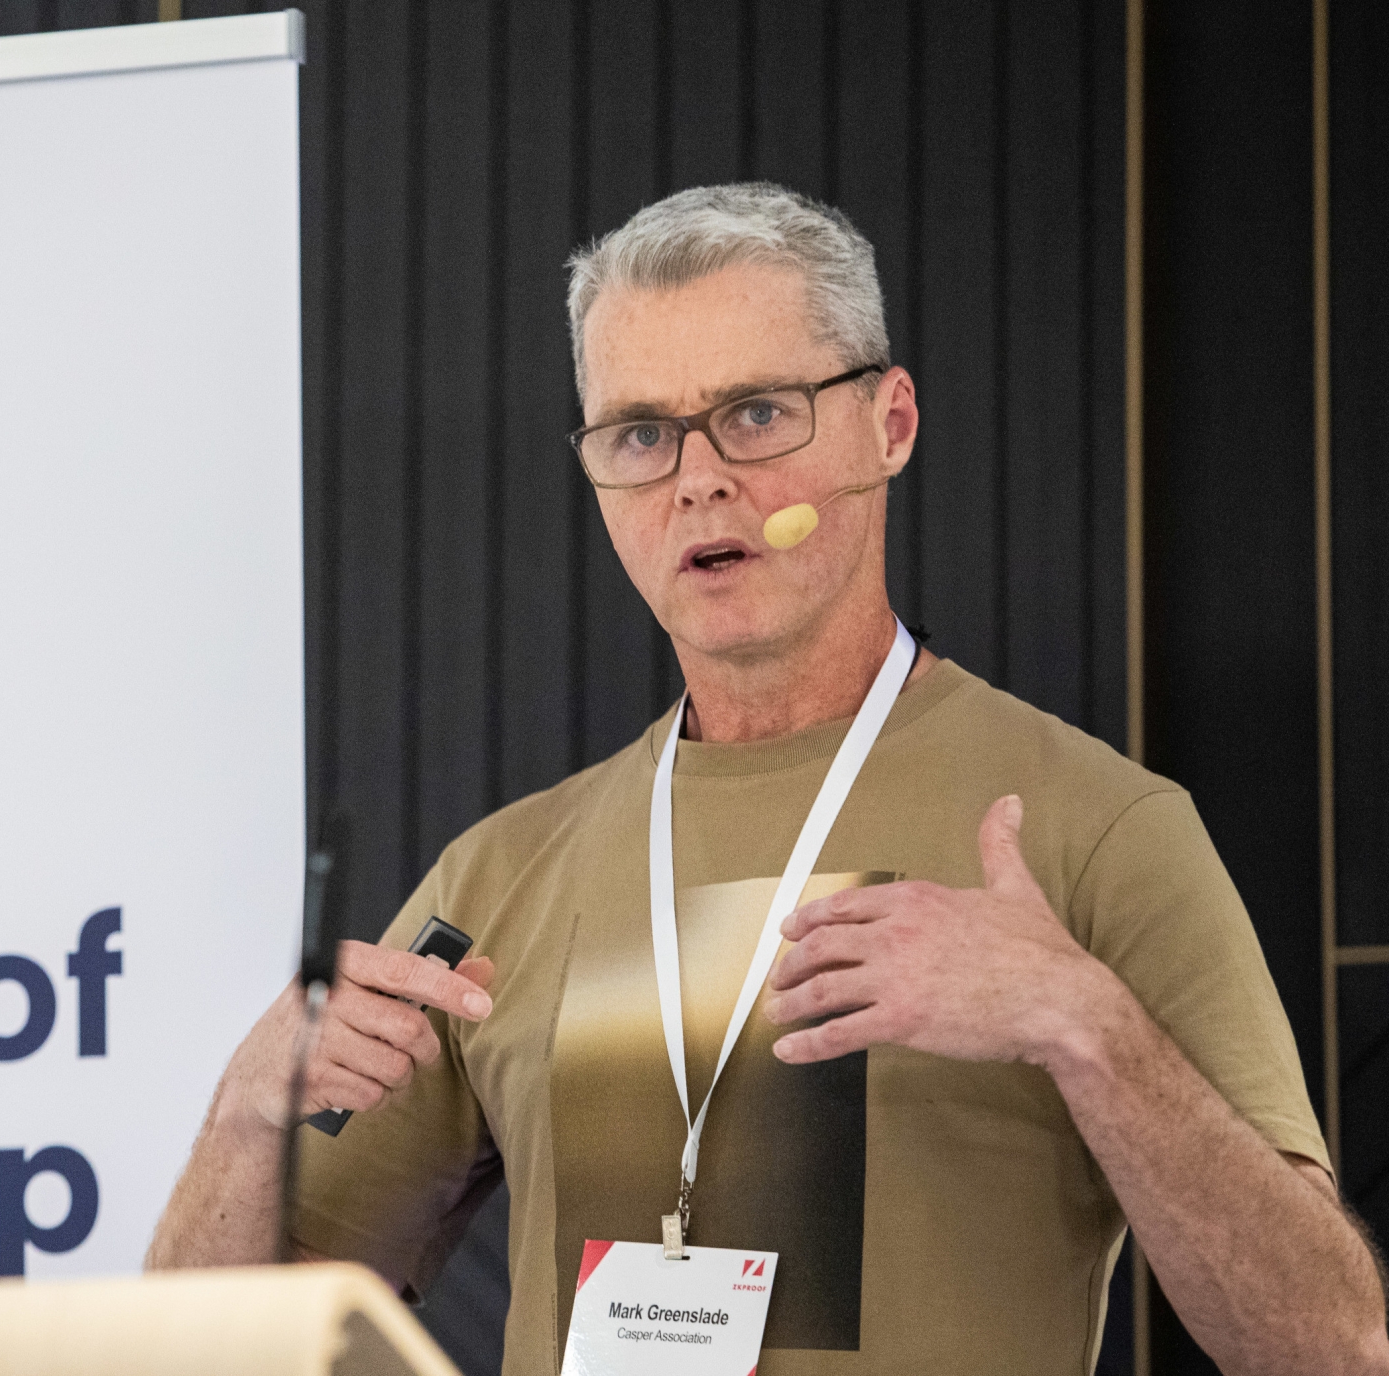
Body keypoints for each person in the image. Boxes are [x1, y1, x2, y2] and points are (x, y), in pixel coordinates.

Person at [146, 183, 1388, 1375]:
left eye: (755, 414)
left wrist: (1087, 1024)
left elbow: (1333, 1344)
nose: (698, 478)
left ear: (889, 424)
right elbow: (209, 1355)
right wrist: (242, 1113)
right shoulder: (497, 876)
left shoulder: (1096, 827)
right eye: (642, 434)